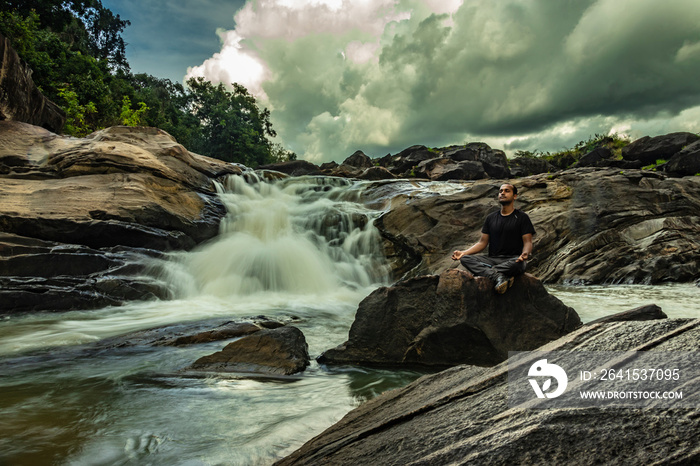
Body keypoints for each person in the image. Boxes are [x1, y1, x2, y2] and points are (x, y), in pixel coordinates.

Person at [451, 183, 535, 294]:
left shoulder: (522, 217)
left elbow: (528, 241)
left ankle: (489, 272)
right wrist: (463, 253)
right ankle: (497, 276)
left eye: (507, 191)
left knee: (518, 265)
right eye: (501, 191)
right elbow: (482, 243)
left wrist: (525, 253)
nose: (503, 193)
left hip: (512, 260)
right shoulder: (491, 218)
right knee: (466, 259)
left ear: (515, 196)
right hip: (492, 259)